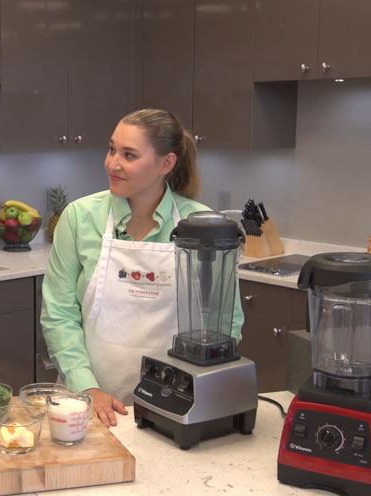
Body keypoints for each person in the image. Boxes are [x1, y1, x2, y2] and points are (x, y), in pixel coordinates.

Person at [40, 109, 244, 427]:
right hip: (90, 407)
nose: (113, 164)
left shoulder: (202, 227)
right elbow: (59, 314)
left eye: (129, 155)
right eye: (111, 150)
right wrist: (87, 388)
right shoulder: (79, 217)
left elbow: (225, 322)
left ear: (166, 163)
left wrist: (189, 392)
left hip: (177, 406)